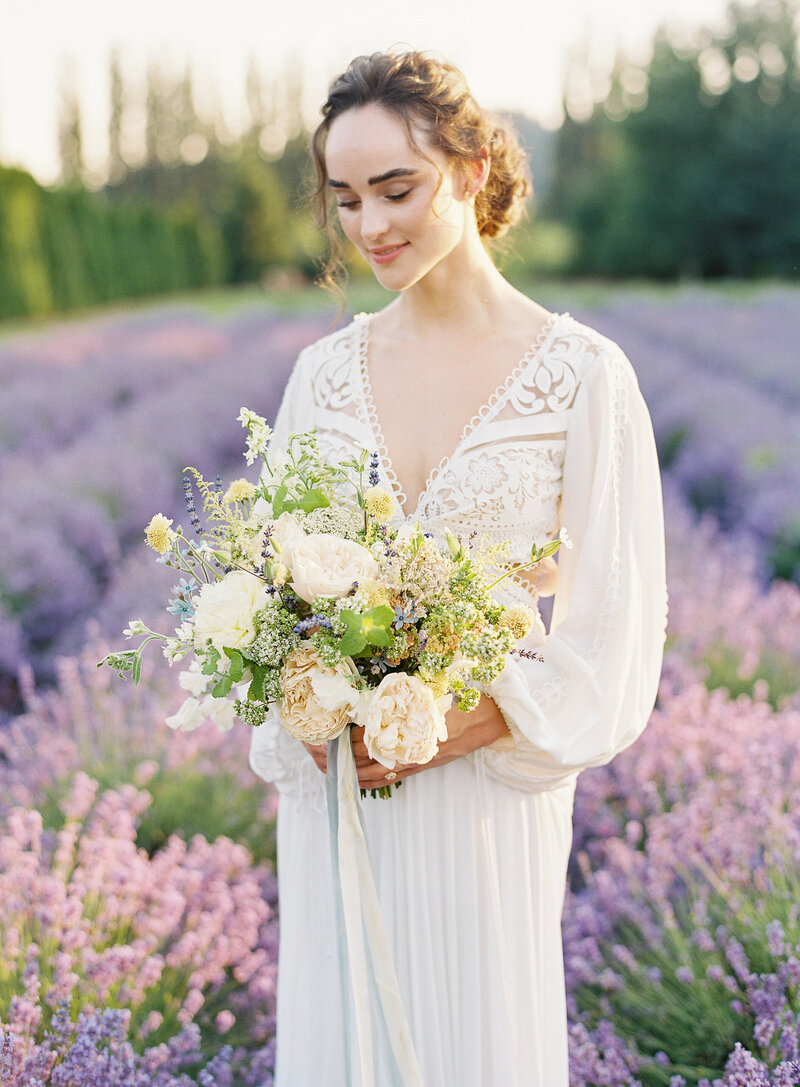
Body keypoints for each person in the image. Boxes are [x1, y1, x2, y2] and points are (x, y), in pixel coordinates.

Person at [249, 49, 667, 1087]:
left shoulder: (583, 377)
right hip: (341, 801)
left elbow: (611, 636)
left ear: (472, 170)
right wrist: (306, 702)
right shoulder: (319, 375)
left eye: (396, 188)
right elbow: (270, 595)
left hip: (487, 802)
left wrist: (437, 729)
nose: (369, 224)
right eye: (344, 198)